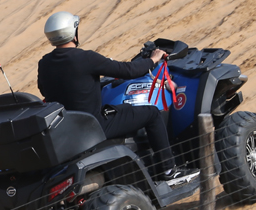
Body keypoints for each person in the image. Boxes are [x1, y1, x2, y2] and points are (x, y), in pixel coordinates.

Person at [36, 11, 183, 183]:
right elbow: (129, 71)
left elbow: (45, 90)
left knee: (126, 109)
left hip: (69, 129)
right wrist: (153, 59)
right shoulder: (86, 58)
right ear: (73, 33)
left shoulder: (44, 63)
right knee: (152, 114)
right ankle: (168, 170)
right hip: (95, 125)